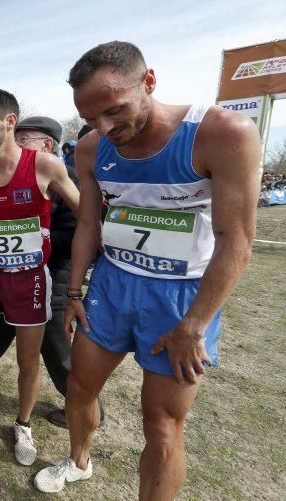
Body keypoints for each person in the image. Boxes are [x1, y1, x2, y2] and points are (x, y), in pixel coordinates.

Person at [34, 42, 260, 498]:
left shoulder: (222, 132)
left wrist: (194, 325)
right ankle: (79, 461)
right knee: (78, 388)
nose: (104, 127)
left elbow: (237, 241)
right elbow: (89, 223)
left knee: (161, 426)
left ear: (149, 82)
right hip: (114, 287)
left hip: (181, 299)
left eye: (114, 110)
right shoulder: (93, 148)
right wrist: (74, 291)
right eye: (91, 118)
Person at [0, 115, 102, 428]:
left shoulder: (60, 173)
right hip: (2, 272)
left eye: (27, 138)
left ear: (47, 144)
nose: (19, 142)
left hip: (51, 270)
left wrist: (37, 239)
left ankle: (82, 404)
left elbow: (78, 224)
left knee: (52, 344)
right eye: (19, 135)